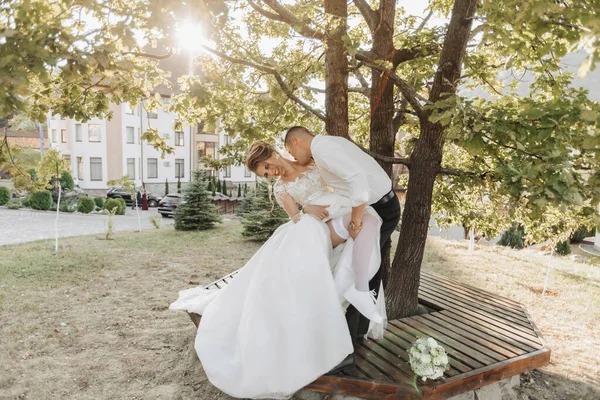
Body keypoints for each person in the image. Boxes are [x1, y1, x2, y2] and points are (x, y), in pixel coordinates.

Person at [284, 126, 401, 370]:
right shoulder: (326, 146)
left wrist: (357, 220)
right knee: (367, 269)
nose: (293, 157)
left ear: (296, 141)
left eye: (290, 151)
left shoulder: (324, 148)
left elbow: (357, 180)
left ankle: (344, 348)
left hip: (377, 208)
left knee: (352, 269)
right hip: (377, 205)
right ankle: (354, 338)